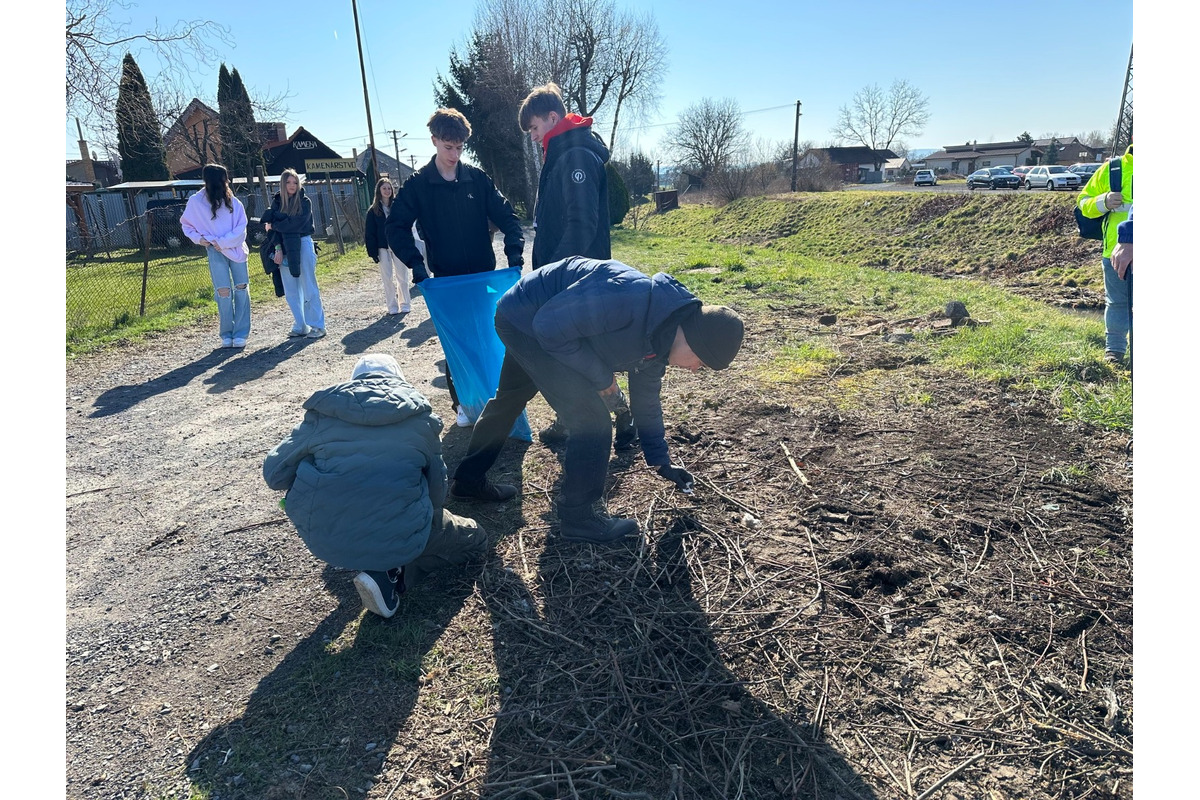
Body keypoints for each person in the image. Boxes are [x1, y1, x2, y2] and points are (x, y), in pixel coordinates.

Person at [449, 257, 745, 544]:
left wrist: (661, 461)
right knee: (591, 420)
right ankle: (579, 518)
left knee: (510, 399)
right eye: (701, 363)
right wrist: (603, 379)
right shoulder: (628, 297)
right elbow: (548, 328)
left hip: (541, 323)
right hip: (525, 318)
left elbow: (647, 404)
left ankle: (468, 480)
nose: (695, 370)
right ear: (694, 339)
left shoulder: (660, 339)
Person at [262, 354, 487, 619]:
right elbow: (437, 495)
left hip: (325, 541)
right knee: (477, 539)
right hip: (400, 533)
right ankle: (391, 573)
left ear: (354, 383)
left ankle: (383, 565)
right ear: (399, 382)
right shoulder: (422, 421)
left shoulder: (322, 416)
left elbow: (273, 475)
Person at [386, 108, 525, 427]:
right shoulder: (419, 184)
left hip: (483, 277)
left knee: (491, 336)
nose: (454, 154)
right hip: (446, 281)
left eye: (460, 148)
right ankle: (463, 403)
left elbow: (507, 216)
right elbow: (396, 226)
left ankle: (497, 397)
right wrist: (417, 266)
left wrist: (514, 252)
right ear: (434, 141)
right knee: (457, 342)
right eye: (448, 147)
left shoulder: (477, 178)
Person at [517, 81, 631, 448]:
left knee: (581, 349)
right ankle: (586, 417)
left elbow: (582, 224)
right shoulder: (562, 152)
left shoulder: (575, 155)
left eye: (534, 127)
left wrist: (555, 275)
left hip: (576, 277)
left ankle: (614, 417)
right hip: (571, 274)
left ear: (553, 117)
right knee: (579, 347)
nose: (533, 137)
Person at [179, 163, 250, 348]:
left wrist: (224, 242)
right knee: (223, 291)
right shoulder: (196, 202)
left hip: (235, 249)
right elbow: (186, 224)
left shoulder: (233, 201)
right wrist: (200, 239)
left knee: (241, 288)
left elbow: (242, 227)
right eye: (222, 179)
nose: (225, 182)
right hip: (214, 250)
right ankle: (226, 333)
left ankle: (241, 332)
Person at [1076, 144, 1132, 364]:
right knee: (1117, 303)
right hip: (1115, 251)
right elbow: (1083, 202)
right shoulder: (1113, 168)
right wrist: (1104, 201)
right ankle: (1114, 353)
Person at [262, 168, 326, 339]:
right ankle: (300, 325)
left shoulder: (305, 202)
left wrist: (275, 225)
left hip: (303, 243)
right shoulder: (276, 203)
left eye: (295, 182)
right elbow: (271, 231)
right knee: (291, 290)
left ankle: (318, 326)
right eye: (288, 182)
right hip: (282, 246)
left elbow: (295, 224)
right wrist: (277, 248)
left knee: (308, 286)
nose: (292, 185)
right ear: (283, 184)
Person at [365, 177, 411, 315]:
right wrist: (372, 252)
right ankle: (392, 306)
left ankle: (405, 304)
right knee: (387, 278)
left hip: (398, 246)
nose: (387, 191)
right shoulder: (373, 211)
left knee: (402, 276)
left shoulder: (397, 207)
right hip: (382, 247)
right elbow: (370, 232)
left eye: (389, 188)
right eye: (384, 188)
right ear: (379, 190)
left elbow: (405, 226)